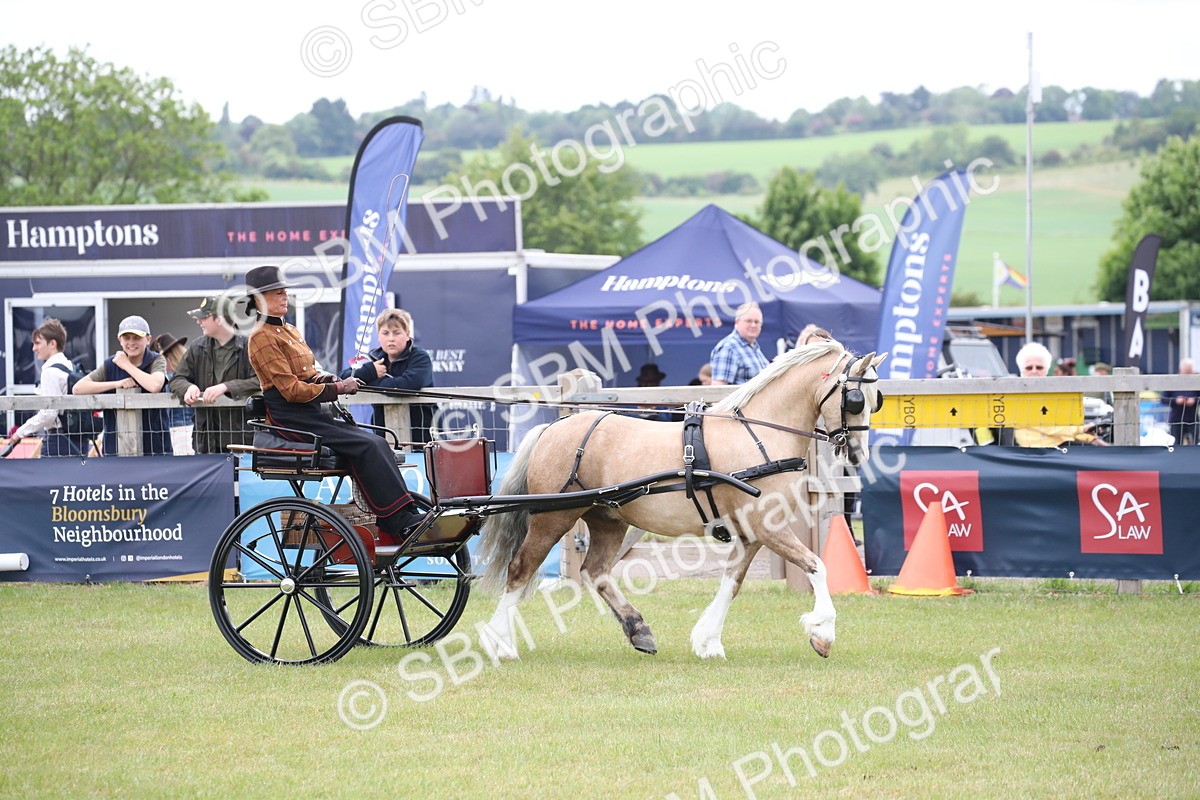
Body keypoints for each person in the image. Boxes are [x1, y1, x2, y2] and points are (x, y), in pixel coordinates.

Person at [244, 266, 423, 538]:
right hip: (290, 418)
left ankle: (406, 511)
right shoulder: (260, 337)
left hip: (311, 413)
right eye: (277, 292)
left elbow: (308, 374)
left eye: (284, 291)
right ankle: (395, 520)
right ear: (258, 299)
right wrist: (337, 388)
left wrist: (329, 378)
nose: (285, 296)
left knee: (376, 441)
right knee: (366, 445)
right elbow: (291, 390)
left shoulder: (289, 330)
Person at [170, 296, 261, 454]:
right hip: (206, 440)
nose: (199, 322)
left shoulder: (249, 347)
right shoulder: (197, 347)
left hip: (241, 440)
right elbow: (177, 379)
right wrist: (188, 387)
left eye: (204, 317)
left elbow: (261, 380)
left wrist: (227, 387)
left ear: (219, 320)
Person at [74, 315, 173, 455]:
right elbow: (78, 388)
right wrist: (116, 384)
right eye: (126, 338)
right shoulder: (110, 364)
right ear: (119, 340)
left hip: (155, 448)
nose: (131, 342)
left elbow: (155, 385)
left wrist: (126, 365)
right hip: (115, 449)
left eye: (137, 337)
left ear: (148, 339)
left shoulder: (157, 360)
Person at [1, 318, 92, 458]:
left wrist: (20, 433)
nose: (34, 348)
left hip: (59, 441)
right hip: (79, 440)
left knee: (44, 473)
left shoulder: (50, 372)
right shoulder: (70, 366)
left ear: (52, 344)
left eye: (38, 343)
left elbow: (49, 415)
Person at [349, 308, 435, 443]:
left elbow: (407, 384)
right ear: (378, 336)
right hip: (383, 438)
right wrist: (370, 371)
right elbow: (343, 378)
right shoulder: (372, 358)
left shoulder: (420, 357)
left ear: (407, 334)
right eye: (385, 333)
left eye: (396, 333)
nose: (391, 338)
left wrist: (370, 383)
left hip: (421, 438)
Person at [1013, 342, 1108, 447]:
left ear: (1046, 370)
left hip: (1058, 446)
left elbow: (1061, 430)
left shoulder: (1050, 395)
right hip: (1034, 450)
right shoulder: (1017, 397)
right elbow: (1048, 427)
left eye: (1039, 367)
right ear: (1021, 370)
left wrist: (1091, 440)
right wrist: (1082, 429)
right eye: (1029, 368)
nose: (1034, 371)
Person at [710, 301, 768, 386]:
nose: (753, 325)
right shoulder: (729, 348)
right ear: (737, 322)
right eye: (748, 321)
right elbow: (718, 389)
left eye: (757, 322)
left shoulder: (754, 347)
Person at [154, 331, 194, 453]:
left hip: (176, 430)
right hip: (194, 428)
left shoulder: (170, 379)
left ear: (166, 358)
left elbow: (165, 413)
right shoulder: (193, 373)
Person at [1161, 358, 1198, 445]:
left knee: (1195, 445)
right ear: (1181, 370)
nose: (1189, 374)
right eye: (1186, 372)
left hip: (1193, 420)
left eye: (1190, 371)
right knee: (1177, 445)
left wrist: (1194, 401)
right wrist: (1176, 401)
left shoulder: (1196, 381)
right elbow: (1163, 399)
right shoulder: (1173, 381)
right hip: (1176, 420)